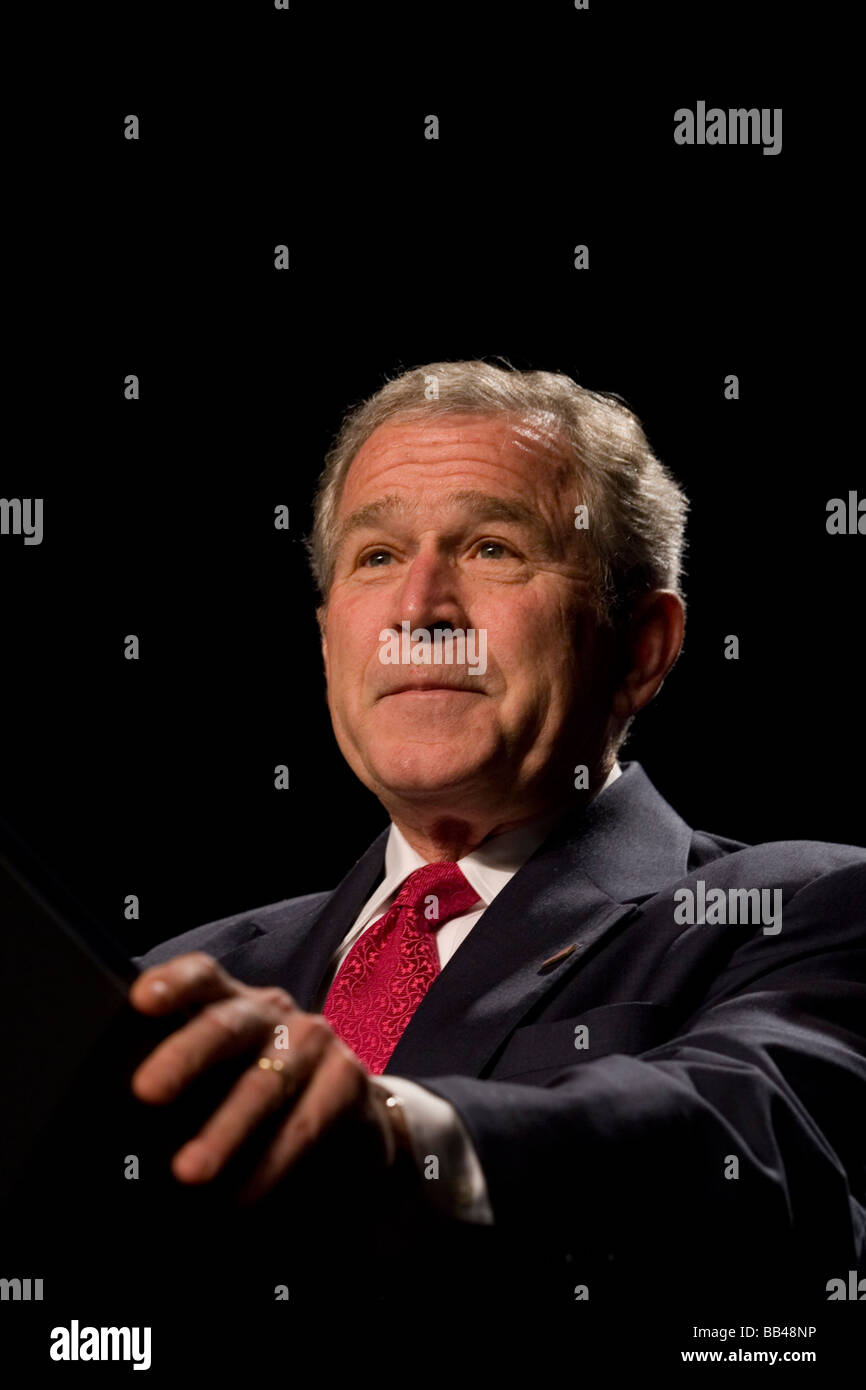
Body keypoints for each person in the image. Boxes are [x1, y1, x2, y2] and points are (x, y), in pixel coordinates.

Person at [131, 360, 866, 1323]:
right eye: (378, 557)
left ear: (641, 646)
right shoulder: (175, 974)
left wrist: (403, 1138)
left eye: (491, 547)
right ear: (326, 643)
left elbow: (751, 1139)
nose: (419, 612)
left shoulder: (802, 908)